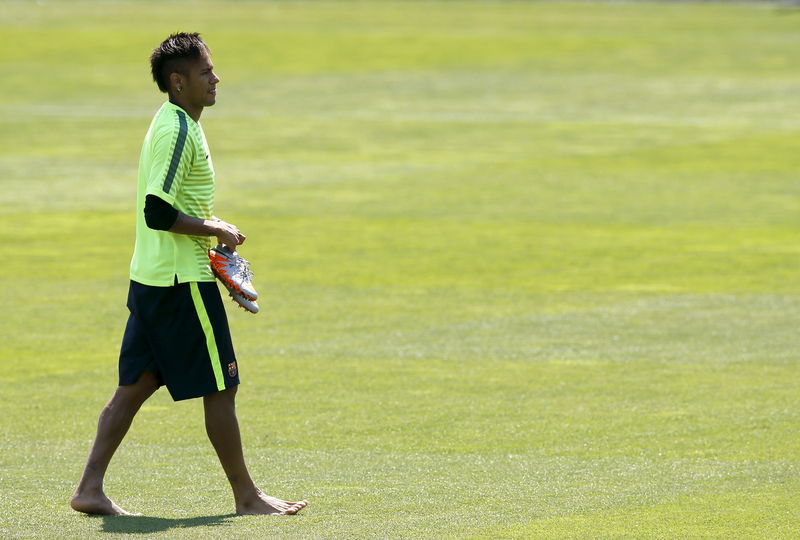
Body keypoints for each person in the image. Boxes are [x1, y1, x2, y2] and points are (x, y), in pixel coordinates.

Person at [70, 32, 307, 517]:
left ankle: (89, 490)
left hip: (154, 279)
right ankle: (247, 497)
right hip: (180, 282)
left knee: (136, 384)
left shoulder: (176, 122)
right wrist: (215, 227)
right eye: (205, 72)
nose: (216, 78)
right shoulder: (177, 128)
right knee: (221, 384)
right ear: (178, 82)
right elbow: (158, 210)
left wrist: (209, 233)